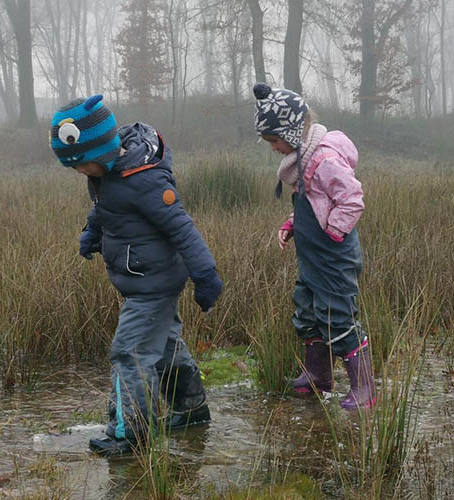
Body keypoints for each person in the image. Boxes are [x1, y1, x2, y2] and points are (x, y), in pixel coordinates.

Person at [50, 95, 222, 456]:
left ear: (104, 147)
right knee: (165, 347)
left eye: (82, 165)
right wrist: (91, 235)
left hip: (152, 285)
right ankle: (191, 409)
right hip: (142, 278)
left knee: (128, 353)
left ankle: (131, 434)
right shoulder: (107, 174)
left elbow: (182, 227)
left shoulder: (143, 180)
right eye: (74, 168)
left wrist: (205, 274)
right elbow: (104, 208)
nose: (79, 172)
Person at [253, 83, 376, 410]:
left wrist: (331, 234)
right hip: (311, 261)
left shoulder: (322, 160)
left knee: (338, 318)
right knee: (306, 311)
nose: (273, 148)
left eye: (274, 141)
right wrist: (292, 225)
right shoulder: (302, 162)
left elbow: (352, 200)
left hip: (333, 258)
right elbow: (315, 202)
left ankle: (364, 389)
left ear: (292, 134)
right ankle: (318, 376)